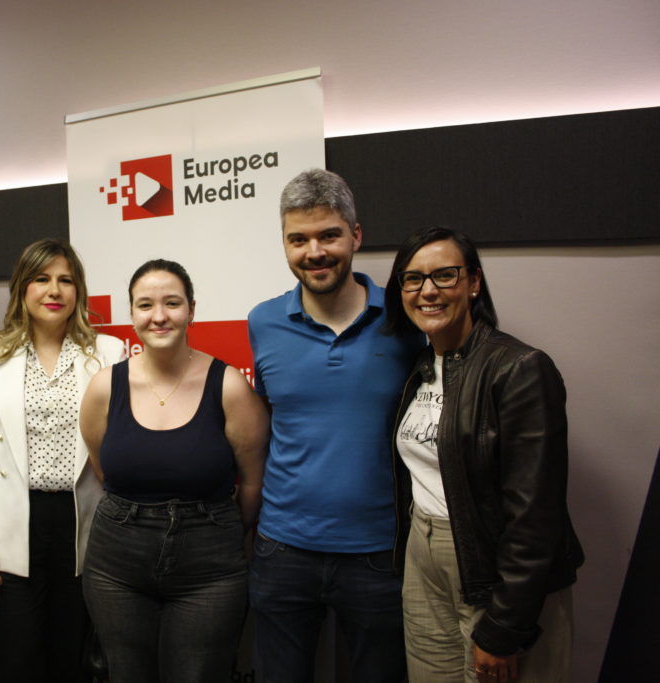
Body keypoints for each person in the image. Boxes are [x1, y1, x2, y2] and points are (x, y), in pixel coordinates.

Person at [247, 168, 425, 681]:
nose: (314, 252)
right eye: (297, 239)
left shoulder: (404, 315)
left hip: (379, 551)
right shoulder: (263, 321)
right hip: (282, 548)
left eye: (329, 235)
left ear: (356, 235)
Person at [384, 226, 584, 682]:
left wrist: (506, 626)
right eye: (412, 279)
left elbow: (536, 516)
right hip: (423, 557)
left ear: (473, 282)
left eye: (444, 276)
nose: (427, 291)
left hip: (493, 569)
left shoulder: (519, 369)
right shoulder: (420, 368)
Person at [80, 259, 268, 683]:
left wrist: (213, 529)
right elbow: (102, 468)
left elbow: (253, 480)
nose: (159, 316)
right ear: (131, 313)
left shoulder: (230, 386)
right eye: (145, 305)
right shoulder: (105, 387)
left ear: (192, 310)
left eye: (172, 303)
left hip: (210, 567)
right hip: (116, 566)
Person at [0, 238, 124, 682]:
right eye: (42, 279)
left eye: (66, 280)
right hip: (10, 523)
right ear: (21, 289)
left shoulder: (108, 354)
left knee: (71, 654)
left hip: (80, 523)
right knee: (15, 656)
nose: (54, 290)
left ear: (78, 291)